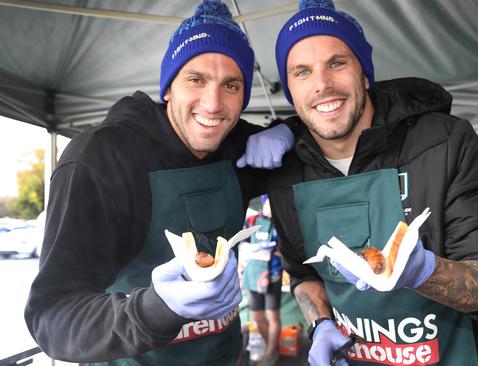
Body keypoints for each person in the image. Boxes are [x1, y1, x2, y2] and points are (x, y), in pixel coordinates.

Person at [24, 2, 294, 365]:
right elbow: (52, 319)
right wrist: (154, 309)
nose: (213, 104)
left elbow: (329, 122)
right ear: (168, 88)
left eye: (231, 85)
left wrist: (288, 131)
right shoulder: (101, 157)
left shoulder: (234, 145)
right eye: (196, 79)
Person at [267, 1, 478, 365]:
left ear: (365, 73)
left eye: (337, 63)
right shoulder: (286, 173)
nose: (322, 84)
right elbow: (303, 273)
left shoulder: (444, 143)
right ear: (290, 89)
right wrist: (320, 323)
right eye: (302, 71)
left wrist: (424, 272)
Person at [241, 195, 283, 365]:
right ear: (264, 203)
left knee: (273, 315)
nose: (272, 208)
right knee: (257, 316)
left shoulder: (281, 224)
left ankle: (271, 353)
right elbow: (241, 244)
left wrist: (275, 250)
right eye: (269, 204)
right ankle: (272, 347)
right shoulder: (251, 221)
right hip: (252, 273)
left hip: (272, 273)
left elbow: (288, 251)